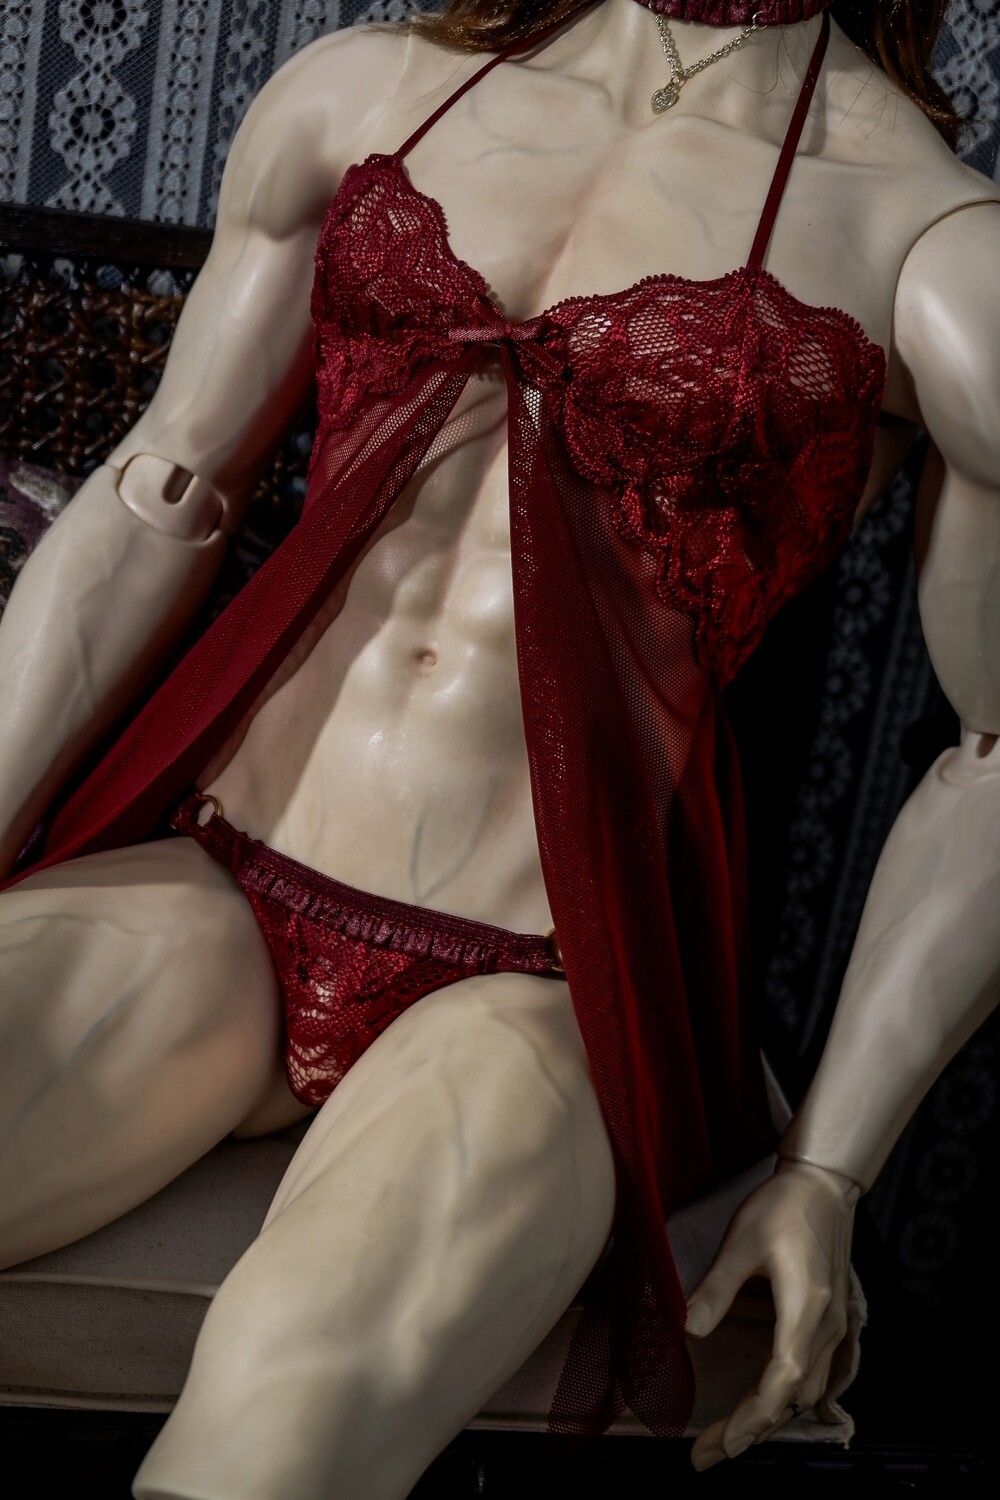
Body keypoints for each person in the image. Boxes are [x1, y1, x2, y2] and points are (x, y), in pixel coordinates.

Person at [0, 0, 998, 1493]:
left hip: (540, 985)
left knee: (286, 1409)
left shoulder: (938, 252)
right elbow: (166, 484)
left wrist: (828, 1171)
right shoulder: (373, 90)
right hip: (229, 882)